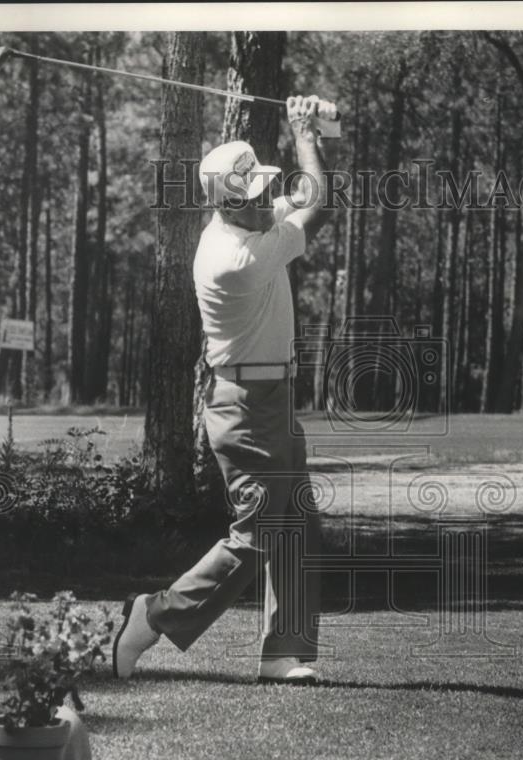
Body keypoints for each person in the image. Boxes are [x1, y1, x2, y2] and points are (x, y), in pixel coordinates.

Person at [113, 95, 335, 683]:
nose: (267, 199)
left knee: (293, 524)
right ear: (228, 203)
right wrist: (302, 133)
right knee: (256, 534)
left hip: (273, 401)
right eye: (257, 195)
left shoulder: (249, 221)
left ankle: (283, 652)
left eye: (266, 189)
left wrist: (315, 129)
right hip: (245, 408)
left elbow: (303, 194)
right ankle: (152, 616)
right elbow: (319, 204)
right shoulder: (238, 257)